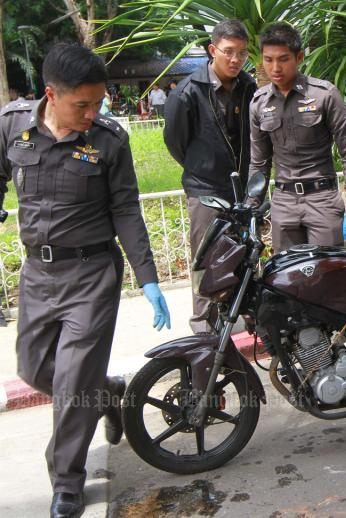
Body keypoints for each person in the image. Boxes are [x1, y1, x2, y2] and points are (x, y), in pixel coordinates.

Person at [0, 42, 170, 518]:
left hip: (92, 274)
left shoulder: (109, 140)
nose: (92, 113)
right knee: (34, 370)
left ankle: (67, 483)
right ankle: (109, 393)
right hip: (38, 274)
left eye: (99, 103)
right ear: (51, 95)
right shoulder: (13, 125)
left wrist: (149, 277)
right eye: (83, 105)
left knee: (73, 386)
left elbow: (126, 210)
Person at [164, 19, 257, 334]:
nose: (235, 60)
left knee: (241, 252)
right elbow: (176, 143)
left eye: (242, 54)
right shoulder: (188, 92)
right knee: (206, 256)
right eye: (229, 52)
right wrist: (201, 167)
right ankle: (203, 321)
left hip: (240, 188)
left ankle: (237, 314)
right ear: (212, 50)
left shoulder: (249, 88)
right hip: (205, 189)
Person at [250, 22, 346, 253]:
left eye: (283, 59)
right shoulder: (259, 103)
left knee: (326, 277)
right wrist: (251, 210)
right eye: (268, 60)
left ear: (299, 57)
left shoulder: (324, 95)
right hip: (283, 203)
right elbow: (259, 162)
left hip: (323, 200)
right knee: (287, 280)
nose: (275, 67)